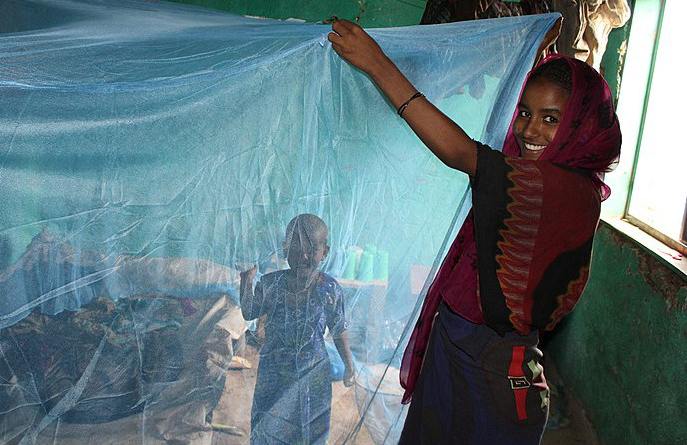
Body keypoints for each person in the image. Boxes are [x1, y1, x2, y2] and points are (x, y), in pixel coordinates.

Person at [328, 19, 621, 444]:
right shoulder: (538, 172)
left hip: (494, 364)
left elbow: (462, 154)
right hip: (456, 340)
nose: (529, 130)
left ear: (579, 127)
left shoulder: (567, 192)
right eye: (525, 113)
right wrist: (530, 52)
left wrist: (378, 64)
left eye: (551, 119)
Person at [239, 213, 355, 445]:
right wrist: (246, 282)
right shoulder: (272, 284)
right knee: (269, 426)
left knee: (310, 429)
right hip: (274, 372)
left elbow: (338, 328)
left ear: (325, 252)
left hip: (314, 375)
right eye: (296, 248)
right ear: (284, 248)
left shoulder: (329, 289)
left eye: (311, 249)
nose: (303, 256)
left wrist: (349, 364)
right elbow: (249, 312)